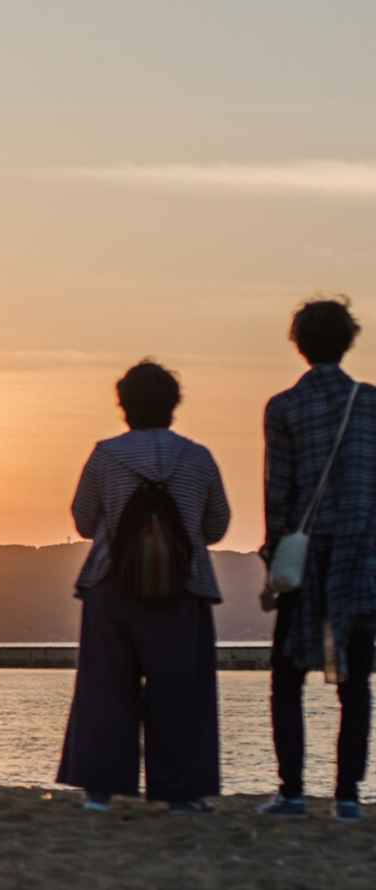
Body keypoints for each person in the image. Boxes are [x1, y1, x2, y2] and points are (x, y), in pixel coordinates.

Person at [57, 360, 230, 813]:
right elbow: (216, 527)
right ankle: (182, 793)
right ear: (174, 405)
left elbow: (83, 520)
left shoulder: (105, 455)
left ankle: (99, 788)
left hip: (111, 584)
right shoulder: (197, 457)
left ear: (124, 406)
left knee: (105, 686)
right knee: (181, 690)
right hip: (184, 588)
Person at [259, 297, 375, 822]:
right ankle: (348, 796)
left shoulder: (283, 408)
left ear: (299, 345)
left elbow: (278, 494)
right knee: (356, 681)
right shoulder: (370, 404)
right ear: (348, 341)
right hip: (360, 556)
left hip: (305, 557)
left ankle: (293, 790)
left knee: (287, 677)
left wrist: (273, 559)